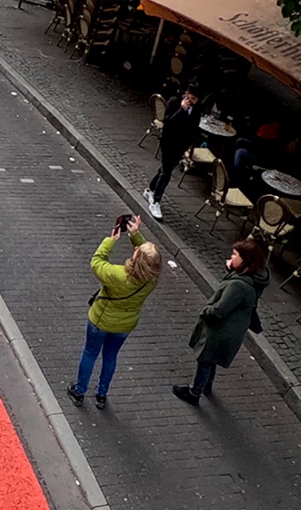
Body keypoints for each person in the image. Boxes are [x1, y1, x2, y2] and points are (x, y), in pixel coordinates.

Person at [66, 214, 161, 410]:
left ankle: (80, 390)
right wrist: (136, 236)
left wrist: (111, 240)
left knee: (90, 353)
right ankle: (101, 394)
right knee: (110, 356)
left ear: (137, 258)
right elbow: (147, 258)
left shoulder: (118, 275)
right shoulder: (152, 279)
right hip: (124, 325)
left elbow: (97, 261)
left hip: (100, 321)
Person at [173, 237, 269, 405]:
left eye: (235, 255)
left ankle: (194, 393)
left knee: (205, 359)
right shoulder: (253, 279)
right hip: (232, 330)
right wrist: (231, 268)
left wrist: (205, 312)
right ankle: (206, 386)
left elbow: (219, 310)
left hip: (220, 330)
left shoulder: (238, 286)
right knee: (211, 359)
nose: (231, 257)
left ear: (245, 260)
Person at [145, 86, 204, 220]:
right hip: (169, 142)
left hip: (181, 146)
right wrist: (181, 110)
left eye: (194, 99)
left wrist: (188, 146)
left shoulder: (197, 109)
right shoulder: (174, 102)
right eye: (189, 97)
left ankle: (150, 189)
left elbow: (194, 128)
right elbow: (168, 122)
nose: (191, 101)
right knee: (166, 173)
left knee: (166, 168)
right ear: (186, 94)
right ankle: (156, 201)